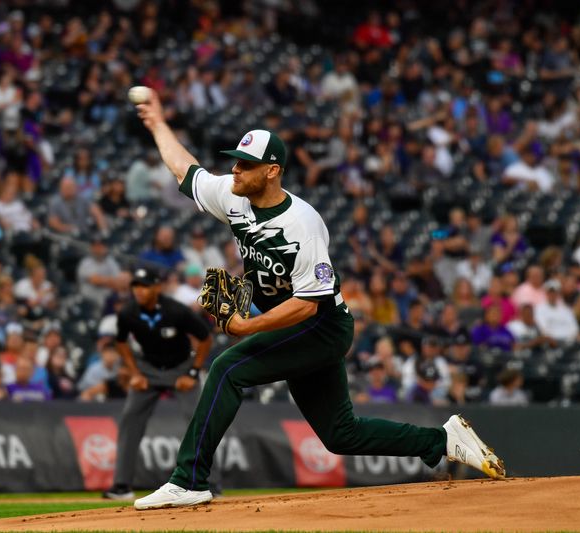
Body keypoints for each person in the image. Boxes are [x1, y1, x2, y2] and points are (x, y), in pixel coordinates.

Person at [130, 89, 505, 510]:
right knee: (340, 433)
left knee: (227, 368)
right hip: (297, 327)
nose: (234, 169)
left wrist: (247, 326)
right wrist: (158, 122)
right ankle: (442, 440)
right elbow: (185, 169)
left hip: (320, 326)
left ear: (272, 171)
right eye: (234, 160)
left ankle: (188, 480)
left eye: (245, 163)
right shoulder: (233, 196)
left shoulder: (301, 224)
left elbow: (309, 304)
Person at [103, 265, 213, 501]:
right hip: (148, 370)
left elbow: (205, 339)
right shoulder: (128, 313)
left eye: (145, 286)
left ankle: (210, 482)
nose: (139, 291)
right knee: (130, 419)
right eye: (136, 286)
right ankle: (121, 486)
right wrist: (134, 372)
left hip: (181, 367)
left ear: (157, 287)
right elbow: (121, 342)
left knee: (200, 422)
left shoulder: (176, 311)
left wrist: (193, 373)